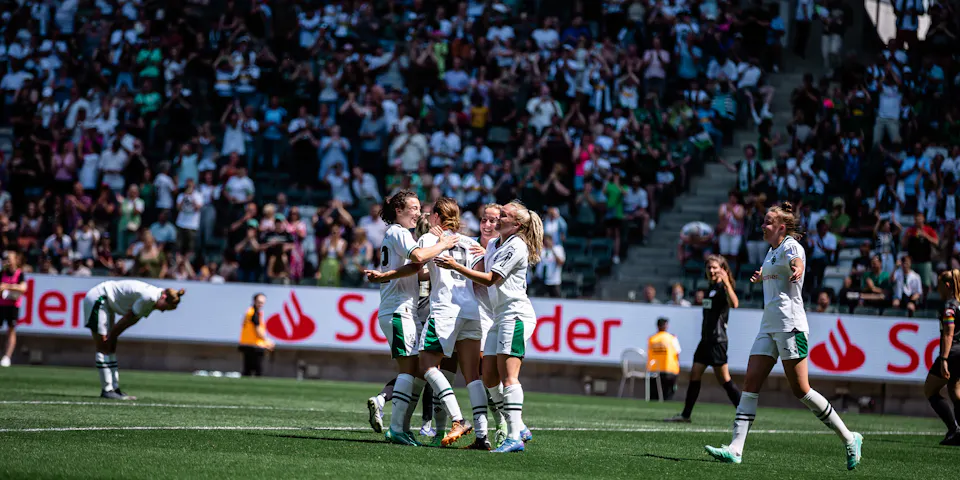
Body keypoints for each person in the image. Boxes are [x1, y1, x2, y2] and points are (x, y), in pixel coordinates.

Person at [704, 202, 862, 469]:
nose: (762, 226)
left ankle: (849, 438)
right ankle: (736, 448)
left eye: (767, 222)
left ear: (780, 227)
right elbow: (775, 272)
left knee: (801, 390)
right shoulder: (771, 251)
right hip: (768, 325)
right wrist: (761, 276)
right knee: (750, 383)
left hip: (791, 325)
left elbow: (796, 261)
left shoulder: (791, 246)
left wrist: (798, 268)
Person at [435, 200, 542, 453]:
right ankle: (520, 426)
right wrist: (448, 237)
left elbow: (491, 279)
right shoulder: (495, 244)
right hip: (498, 316)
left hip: (515, 315)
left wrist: (457, 267)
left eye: (503, 215)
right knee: (490, 377)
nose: (497, 219)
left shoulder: (517, 245)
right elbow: (480, 263)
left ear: (516, 224)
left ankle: (515, 436)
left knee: (509, 376)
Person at [362, 191, 458, 446]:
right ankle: (397, 429)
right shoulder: (399, 232)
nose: (418, 213)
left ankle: (401, 426)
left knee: (414, 370)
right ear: (398, 211)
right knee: (409, 370)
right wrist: (444, 245)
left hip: (403, 309)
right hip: (398, 310)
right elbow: (417, 258)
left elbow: (415, 269)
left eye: (418, 208)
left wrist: (384, 276)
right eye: (413, 208)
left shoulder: (398, 234)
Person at [414, 198, 488, 448]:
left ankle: (458, 419)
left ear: (435, 216)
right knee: (472, 375)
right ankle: (482, 435)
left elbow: (417, 264)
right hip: (470, 310)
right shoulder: (471, 242)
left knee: (426, 364)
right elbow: (478, 279)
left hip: (445, 310)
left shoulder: (429, 238)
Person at [666, 255, 741, 422]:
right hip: (705, 340)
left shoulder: (723, 288)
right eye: (709, 267)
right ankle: (686, 415)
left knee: (724, 380)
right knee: (695, 374)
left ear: (722, 269)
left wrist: (727, 283)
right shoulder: (709, 289)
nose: (712, 270)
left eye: (715, 267)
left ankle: (744, 412)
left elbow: (734, 304)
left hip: (717, 341)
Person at [83, 280, 185, 399]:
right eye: (165, 307)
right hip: (99, 298)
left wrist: (114, 335)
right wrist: (113, 335)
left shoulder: (155, 298)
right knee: (103, 345)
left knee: (111, 346)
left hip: (107, 304)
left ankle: (114, 389)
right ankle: (107, 389)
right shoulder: (150, 297)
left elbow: (133, 319)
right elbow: (128, 317)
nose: (162, 311)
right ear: (164, 297)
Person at [923, 270, 960, 446]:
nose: (938, 290)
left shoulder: (949, 307)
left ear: (947, 286)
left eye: (939, 286)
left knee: (930, 390)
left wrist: (944, 359)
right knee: (954, 390)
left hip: (952, 354)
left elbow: (948, 333)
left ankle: (954, 429)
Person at [238, 293, 275, 377]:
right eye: (259, 302)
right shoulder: (254, 313)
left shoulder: (249, 312)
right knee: (258, 370)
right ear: (254, 301)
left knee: (247, 370)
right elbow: (258, 330)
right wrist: (267, 342)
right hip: (254, 345)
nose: (261, 304)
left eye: (262, 302)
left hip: (247, 343)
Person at [0, 250, 26, 367]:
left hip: (13, 305)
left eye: (10, 259)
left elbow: (23, 288)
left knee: (11, 329)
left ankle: (7, 356)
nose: (8, 262)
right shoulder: (2, 273)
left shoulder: (20, 274)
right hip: (1, 304)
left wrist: (8, 286)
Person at [647, 317, 682, 400]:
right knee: (668, 395)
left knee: (654, 395)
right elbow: (677, 353)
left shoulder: (652, 339)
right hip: (670, 370)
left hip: (654, 370)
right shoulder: (672, 338)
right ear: (666, 326)